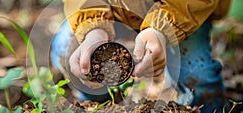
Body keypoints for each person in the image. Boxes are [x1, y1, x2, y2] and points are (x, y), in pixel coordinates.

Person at [51, 0, 231, 112]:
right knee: (67, 49)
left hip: (182, 14)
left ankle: (205, 108)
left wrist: (162, 29)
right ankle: (95, 100)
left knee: (197, 74)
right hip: (112, 11)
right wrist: (93, 27)